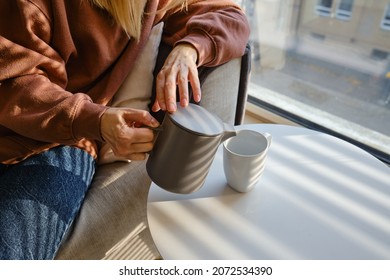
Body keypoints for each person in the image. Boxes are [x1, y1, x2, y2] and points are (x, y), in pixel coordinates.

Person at [0, 0, 249, 259]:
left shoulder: (150, 3)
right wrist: (96, 119)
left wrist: (189, 48)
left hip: (66, 143)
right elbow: (15, 84)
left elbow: (231, 16)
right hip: (29, 129)